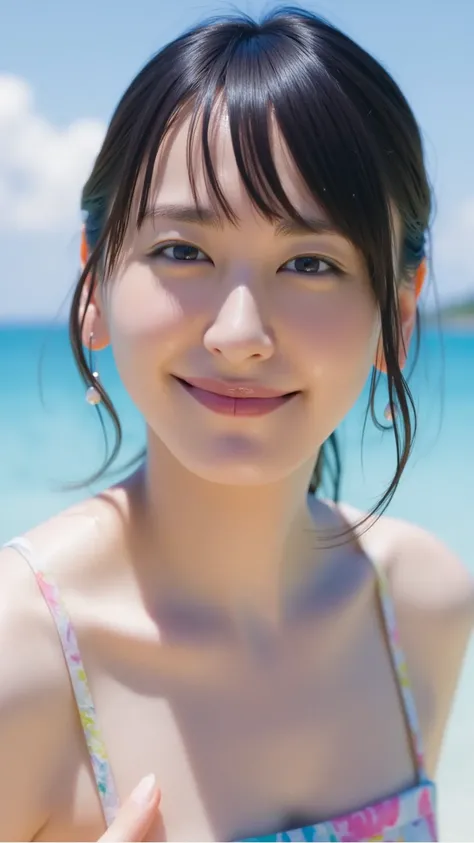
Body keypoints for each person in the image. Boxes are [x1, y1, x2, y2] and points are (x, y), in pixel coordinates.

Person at [1, 6, 473, 842]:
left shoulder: (420, 604)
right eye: (183, 251)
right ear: (94, 285)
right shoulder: (20, 662)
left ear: (399, 315)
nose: (240, 334)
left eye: (311, 263)